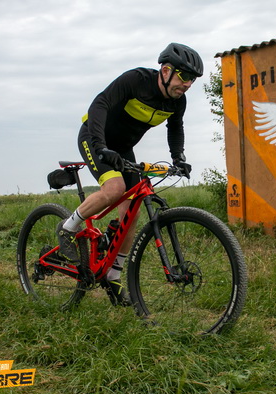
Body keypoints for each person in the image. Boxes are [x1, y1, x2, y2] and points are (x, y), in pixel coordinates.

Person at [57, 43, 203, 306]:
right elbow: (100, 104)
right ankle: (68, 228)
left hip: (123, 149)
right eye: (184, 76)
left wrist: (178, 158)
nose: (188, 84)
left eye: (192, 79)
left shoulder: (177, 100)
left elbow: (175, 128)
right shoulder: (136, 80)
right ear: (166, 71)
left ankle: (113, 276)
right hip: (94, 137)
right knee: (114, 188)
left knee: (132, 212)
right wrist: (101, 146)